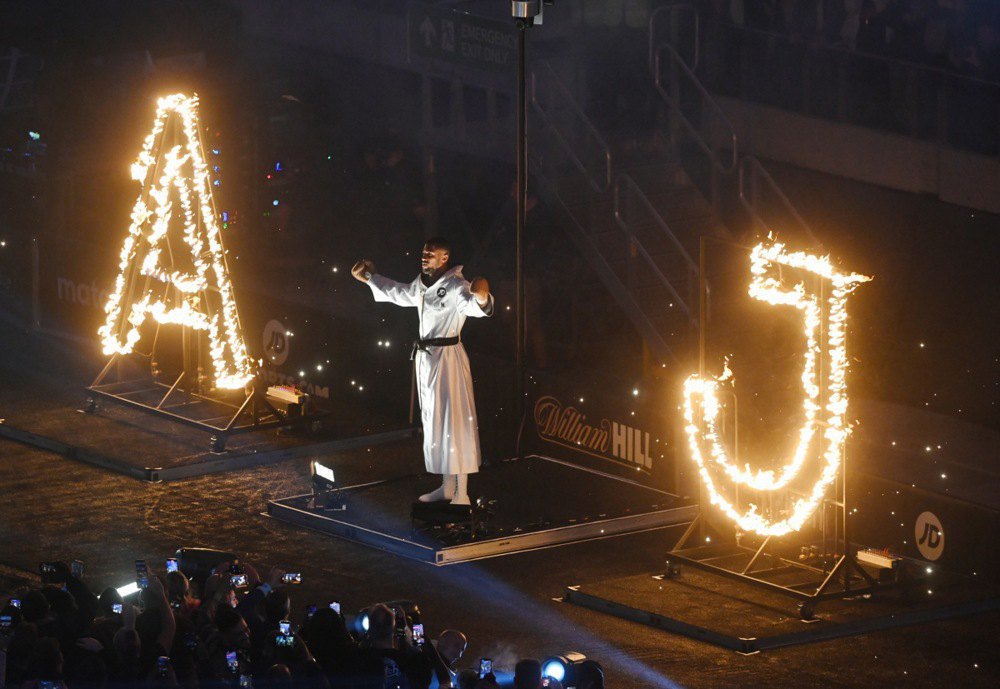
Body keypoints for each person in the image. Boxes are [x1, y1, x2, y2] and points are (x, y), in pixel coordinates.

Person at [352, 237, 493, 505]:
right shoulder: (422, 284)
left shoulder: (456, 285)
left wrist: (483, 296)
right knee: (436, 423)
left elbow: (474, 305)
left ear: (444, 258)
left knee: (455, 422)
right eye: (424, 252)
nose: (425, 256)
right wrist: (369, 277)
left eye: (431, 253)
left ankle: (461, 493)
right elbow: (399, 292)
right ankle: (447, 487)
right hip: (427, 359)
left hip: (449, 359)